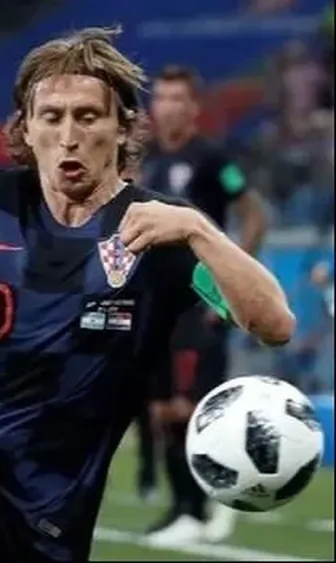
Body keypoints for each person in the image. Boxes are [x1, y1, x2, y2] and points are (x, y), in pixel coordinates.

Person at [0, 26, 294, 563]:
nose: (68, 135)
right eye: (52, 117)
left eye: (87, 117)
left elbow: (275, 325)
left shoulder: (157, 228)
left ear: (123, 128)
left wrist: (200, 230)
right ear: (26, 129)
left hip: (48, 520)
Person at [141, 64, 267, 545]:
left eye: (179, 98)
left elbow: (253, 214)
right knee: (160, 412)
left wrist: (233, 285)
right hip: (156, 306)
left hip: (200, 305)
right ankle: (185, 508)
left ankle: (210, 504)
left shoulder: (213, 157)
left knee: (196, 408)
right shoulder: (147, 160)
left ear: (194, 107)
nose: (169, 106)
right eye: (163, 97)